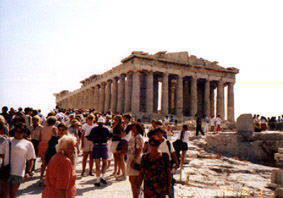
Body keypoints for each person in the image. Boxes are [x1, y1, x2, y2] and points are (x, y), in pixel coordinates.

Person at [0, 123, 36, 198]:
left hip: (18, 172)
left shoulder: (28, 144)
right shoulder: (8, 141)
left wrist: (28, 172)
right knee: (3, 194)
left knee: (12, 194)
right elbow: (2, 153)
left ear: (24, 132)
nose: (19, 133)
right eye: (17, 131)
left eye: (21, 132)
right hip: (5, 171)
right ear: (14, 131)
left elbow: (31, 159)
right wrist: (5, 163)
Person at [87, 117, 112, 187]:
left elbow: (89, 137)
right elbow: (110, 136)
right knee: (105, 163)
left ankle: (98, 180)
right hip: (104, 146)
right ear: (103, 123)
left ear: (97, 123)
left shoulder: (94, 129)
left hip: (96, 146)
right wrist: (106, 139)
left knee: (97, 164)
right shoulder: (106, 129)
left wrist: (94, 140)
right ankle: (103, 177)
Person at [38, 116, 58, 184]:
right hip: (49, 146)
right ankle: (48, 179)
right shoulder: (54, 128)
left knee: (44, 163)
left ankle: (41, 178)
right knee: (50, 163)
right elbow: (55, 137)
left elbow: (40, 137)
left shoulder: (43, 128)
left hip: (42, 145)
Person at [127, 123, 144, 198]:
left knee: (134, 181)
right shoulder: (133, 136)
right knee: (132, 180)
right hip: (131, 158)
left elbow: (139, 149)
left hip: (135, 159)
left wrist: (134, 160)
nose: (132, 129)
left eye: (134, 128)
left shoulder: (138, 137)